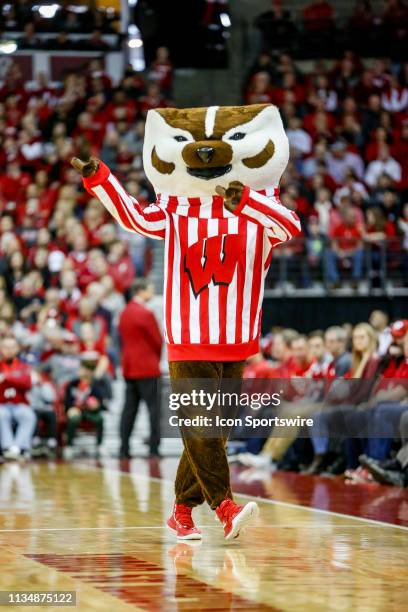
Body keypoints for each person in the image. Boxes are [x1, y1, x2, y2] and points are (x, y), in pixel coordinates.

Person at [118, 279, 162, 459]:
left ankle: (124, 448)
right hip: (147, 367)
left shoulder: (124, 312)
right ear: (140, 291)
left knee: (129, 410)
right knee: (154, 410)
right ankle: (153, 448)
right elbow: (157, 340)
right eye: (149, 290)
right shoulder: (145, 313)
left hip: (130, 367)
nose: (151, 293)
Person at [63, 352, 110, 459]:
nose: (81, 371)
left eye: (84, 369)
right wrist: (71, 409)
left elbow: (100, 402)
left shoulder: (95, 385)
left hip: (90, 412)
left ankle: (100, 445)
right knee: (73, 419)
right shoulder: (72, 384)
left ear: (89, 371)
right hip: (76, 411)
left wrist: (96, 406)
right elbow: (67, 401)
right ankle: (69, 446)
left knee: (99, 419)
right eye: (81, 369)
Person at [0, 336, 36, 460]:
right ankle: (7, 448)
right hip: (2, 404)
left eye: (12, 347)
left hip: (19, 405)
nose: (9, 350)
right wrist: (14, 378)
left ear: (17, 349)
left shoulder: (23, 366)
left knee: (28, 416)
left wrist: (7, 377)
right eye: (6, 347)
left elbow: (27, 383)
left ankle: (19, 448)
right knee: (1, 415)